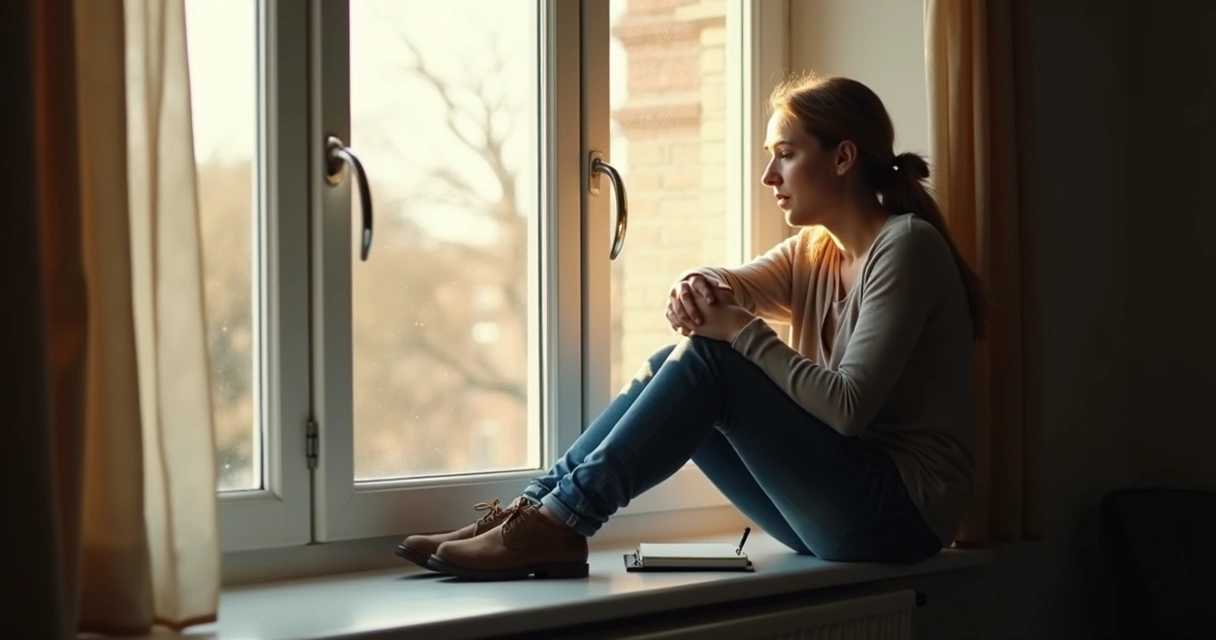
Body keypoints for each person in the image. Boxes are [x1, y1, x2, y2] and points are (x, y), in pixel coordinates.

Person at [395, 74, 987, 581]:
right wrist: (695, 284)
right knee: (670, 363)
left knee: (713, 361)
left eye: (784, 153)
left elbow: (848, 408)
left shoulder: (906, 248)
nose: (767, 176)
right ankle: (538, 508)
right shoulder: (815, 250)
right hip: (834, 510)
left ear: (842, 157)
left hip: (898, 516)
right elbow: (732, 283)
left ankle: (560, 523)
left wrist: (741, 331)